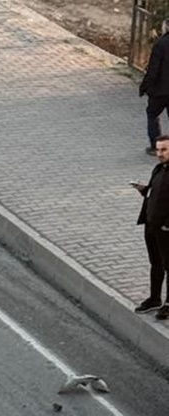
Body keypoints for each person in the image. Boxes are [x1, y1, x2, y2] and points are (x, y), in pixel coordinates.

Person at [133, 135, 169, 319]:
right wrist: (143, 190)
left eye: (164, 150)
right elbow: (153, 192)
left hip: (165, 230)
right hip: (151, 226)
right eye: (158, 150)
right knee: (156, 263)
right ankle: (154, 298)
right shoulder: (158, 169)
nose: (160, 154)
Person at [141, 20, 169, 155]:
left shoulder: (160, 44)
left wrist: (144, 87)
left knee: (152, 115)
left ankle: (155, 146)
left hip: (160, 91)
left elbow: (153, 70)